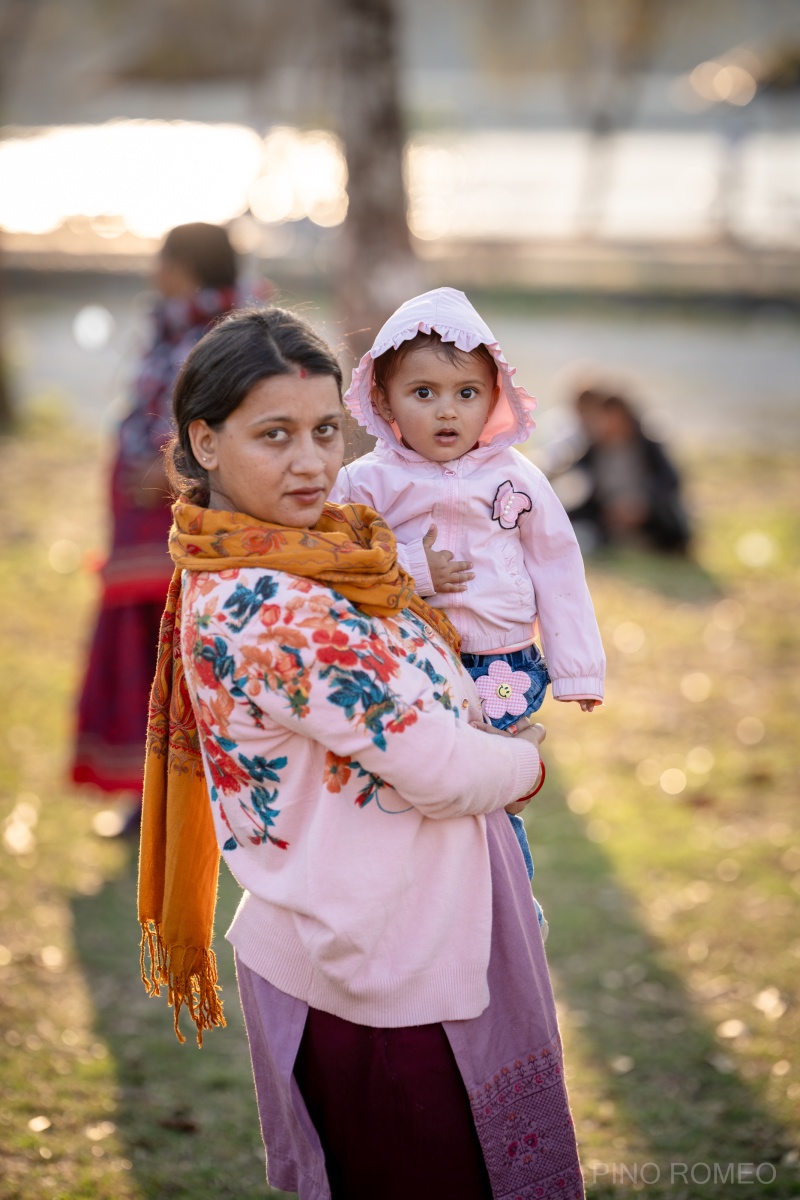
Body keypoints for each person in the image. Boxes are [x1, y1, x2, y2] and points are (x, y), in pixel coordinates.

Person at [138, 307, 587, 1200]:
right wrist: (526, 762)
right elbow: (440, 768)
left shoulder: (318, 557)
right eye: (275, 435)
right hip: (373, 976)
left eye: (323, 432)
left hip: (375, 938)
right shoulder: (275, 606)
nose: (311, 462)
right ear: (206, 441)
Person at [330, 286, 605, 929]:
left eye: (466, 393)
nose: (446, 411)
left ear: (495, 397)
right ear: (383, 399)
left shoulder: (516, 479)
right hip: (413, 664)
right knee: (429, 792)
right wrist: (417, 570)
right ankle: (423, 911)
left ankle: (510, 906)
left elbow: (560, 570)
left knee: (494, 795)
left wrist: (578, 670)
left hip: (505, 663)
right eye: (422, 393)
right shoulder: (367, 483)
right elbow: (342, 565)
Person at [71, 222, 241, 825]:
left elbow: (224, 427)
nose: (153, 268)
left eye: (162, 258)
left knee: (180, 657)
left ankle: (184, 794)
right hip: (142, 520)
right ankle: (148, 791)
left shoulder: (228, 337)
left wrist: (168, 471)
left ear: (186, 266)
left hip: (183, 519)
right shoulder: (172, 324)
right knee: (147, 656)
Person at [554, 388, 692, 555]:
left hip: (647, 511)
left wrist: (642, 504)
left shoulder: (647, 446)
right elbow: (576, 481)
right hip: (606, 514)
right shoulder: (592, 450)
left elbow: (669, 480)